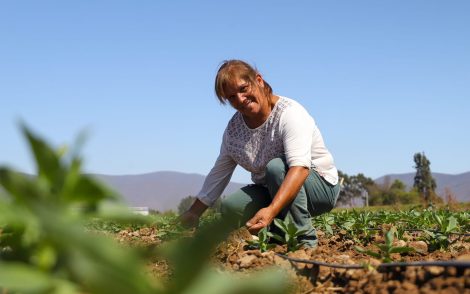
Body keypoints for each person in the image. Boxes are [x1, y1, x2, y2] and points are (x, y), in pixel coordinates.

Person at [180, 59, 340, 248]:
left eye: (243, 89)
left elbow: (300, 168)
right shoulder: (234, 130)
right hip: (273, 188)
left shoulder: (290, 114)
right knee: (233, 207)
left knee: (276, 167)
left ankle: (304, 241)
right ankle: (275, 236)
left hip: (319, 187)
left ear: (258, 80)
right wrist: (193, 213)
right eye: (231, 97)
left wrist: (271, 210)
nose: (239, 99)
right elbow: (219, 172)